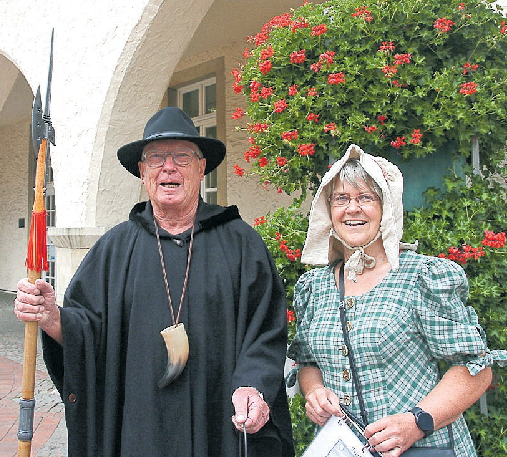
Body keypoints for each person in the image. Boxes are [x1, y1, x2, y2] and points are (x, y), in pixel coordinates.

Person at [15, 107, 295, 457]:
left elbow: (265, 331)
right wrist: (52, 317)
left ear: (201, 167)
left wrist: (254, 385)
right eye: (156, 158)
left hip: (218, 420)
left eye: (182, 156)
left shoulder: (241, 244)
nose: (169, 167)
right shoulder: (114, 249)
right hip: (138, 426)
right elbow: (87, 329)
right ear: (143, 172)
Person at [287, 144, 506, 456]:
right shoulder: (315, 287)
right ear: (328, 209)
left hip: (427, 448)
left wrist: (416, 422)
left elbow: (476, 369)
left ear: (385, 207)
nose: (352, 209)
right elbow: (308, 361)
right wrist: (316, 391)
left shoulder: (422, 277)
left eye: (366, 198)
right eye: (342, 199)